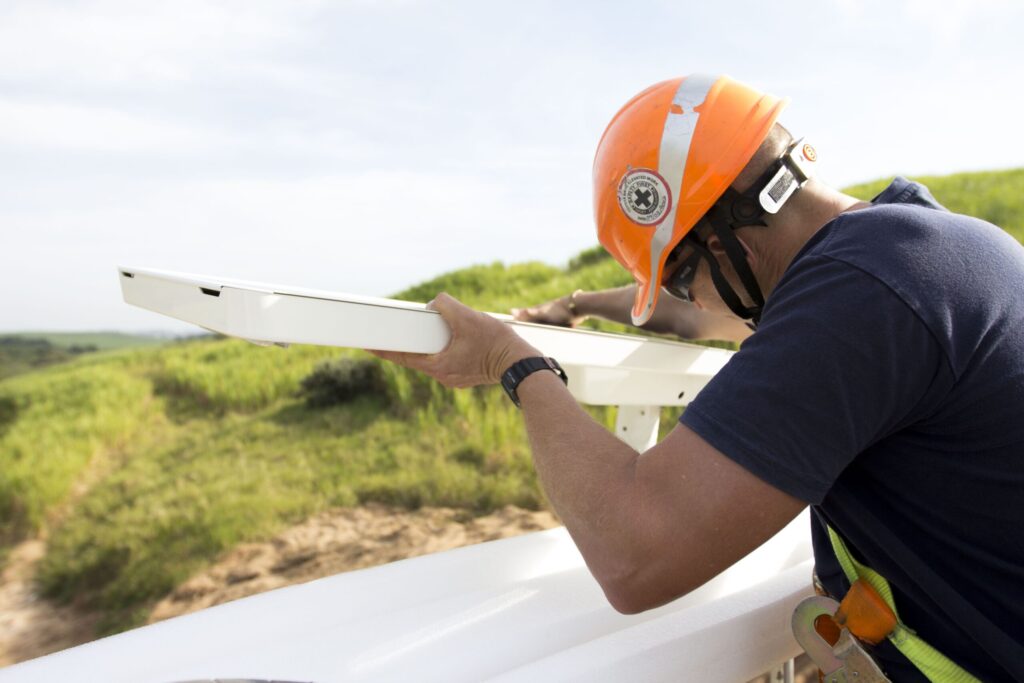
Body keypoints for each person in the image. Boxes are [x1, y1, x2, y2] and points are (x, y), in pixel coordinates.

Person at [370, 75, 1024, 681]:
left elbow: (635, 553)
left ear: (719, 242)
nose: (699, 301)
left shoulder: (858, 297)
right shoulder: (923, 249)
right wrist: (576, 306)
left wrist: (514, 364)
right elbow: (706, 321)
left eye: (681, 277)